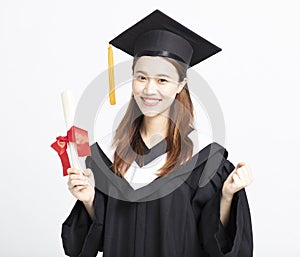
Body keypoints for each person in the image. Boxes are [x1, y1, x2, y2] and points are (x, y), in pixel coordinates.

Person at [61, 10, 253, 257]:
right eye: (141, 77)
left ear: (180, 85)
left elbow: (217, 243)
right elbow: (96, 239)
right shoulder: (107, 156)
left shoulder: (206, 160)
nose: (149, 89)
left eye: (163, 80)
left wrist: (227, 196)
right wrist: (89, 200)